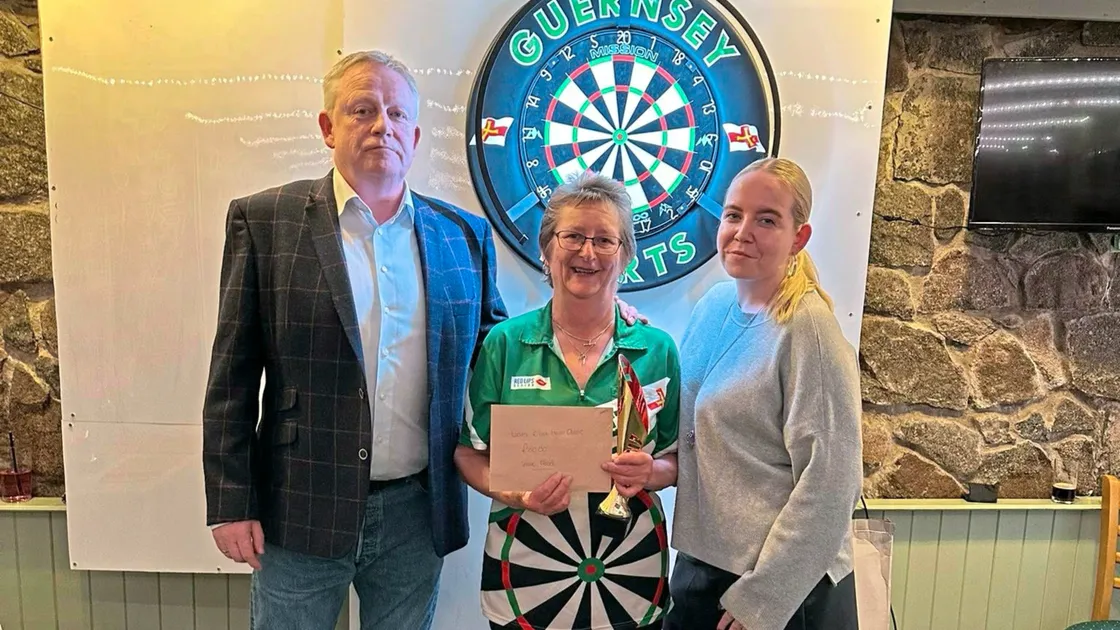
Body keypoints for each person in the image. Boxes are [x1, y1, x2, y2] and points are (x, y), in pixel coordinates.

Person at [201, 50, 508, 630]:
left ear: (414, 136)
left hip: (417, 512)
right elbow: (231, 376)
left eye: (396, 113)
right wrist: (230, 501)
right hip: (298, 507)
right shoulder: (265, 221)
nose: (381, 126)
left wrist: (595, 320)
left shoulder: (464, 235)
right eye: (362, 109)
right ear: (328, 127)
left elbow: (498, 354)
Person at [454, 170, 680, 630]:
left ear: (625, 255)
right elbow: (468, 453)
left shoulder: (657, 350)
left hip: (630, 574)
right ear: (546, 249)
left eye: (605, 240)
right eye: (573, 236)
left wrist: (652, 472)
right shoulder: (505, 344)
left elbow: (677, 458)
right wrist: (516, 493)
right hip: (525, 571)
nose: (587, 252)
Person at [666, 158, 863, 630]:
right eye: (734, 215)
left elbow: (833, 483)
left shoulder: (807, 329)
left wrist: (765, 597)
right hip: (702, 566)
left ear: (799, 237)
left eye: (767, 220)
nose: (742, 232)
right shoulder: (713, 306)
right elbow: (699, 433)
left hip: (781, 588)